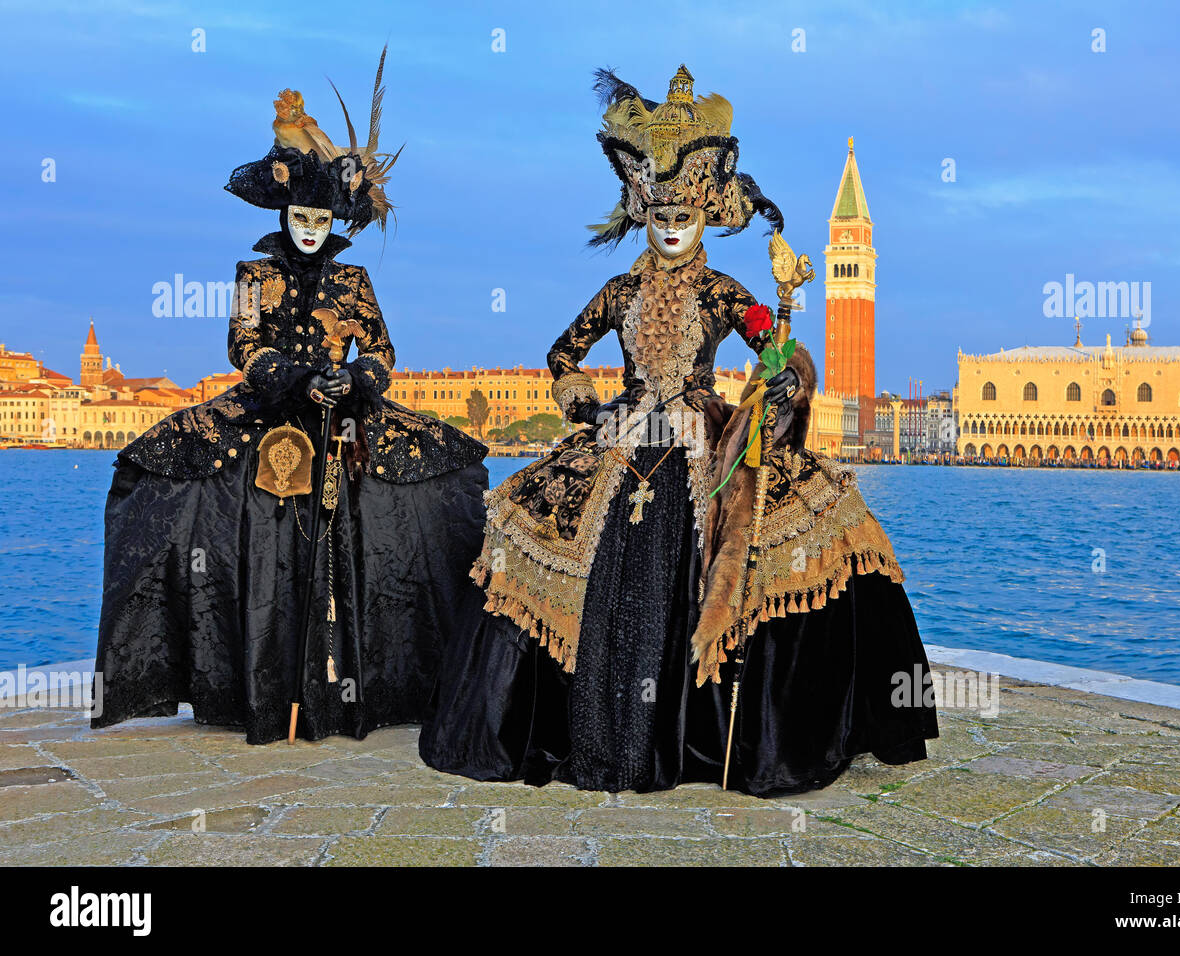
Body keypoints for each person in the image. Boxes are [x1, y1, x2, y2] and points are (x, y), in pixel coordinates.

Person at [421, 65, 937, 797]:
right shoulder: (620, 291)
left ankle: (706, 739)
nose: (669, 227)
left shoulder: (724, 290)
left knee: (805, 536)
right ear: (641, 211)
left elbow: (773, 346)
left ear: (704, 215)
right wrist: (584, 407)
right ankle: (593, 734)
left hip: (701, 442)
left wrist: (788, 371)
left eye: (683, 217)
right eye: (658, 215)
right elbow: (562, 355)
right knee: (531, 537)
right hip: (623, 437)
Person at [93, 54, 487, 744]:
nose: (309, 227)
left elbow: (383, 351)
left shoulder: (355, 279)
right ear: (286, 211)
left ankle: (377, 684)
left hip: (346, 417)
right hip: (270, 414)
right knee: (169, 477)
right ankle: (255, 688)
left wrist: (358, 380)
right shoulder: (253, 273)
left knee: (437, 485)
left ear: (334, 219)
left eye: (320, 217)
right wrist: (296, 378)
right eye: (300, 215)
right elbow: (242, 346)